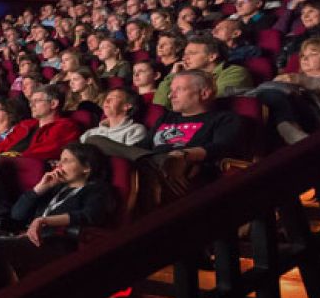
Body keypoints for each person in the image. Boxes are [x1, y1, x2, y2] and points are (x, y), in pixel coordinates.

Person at [93, 70, 246, 212]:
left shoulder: (224, 118)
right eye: (171, 91)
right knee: (95, 141)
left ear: (204, 93)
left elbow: (220, 148)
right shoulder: (167, 117)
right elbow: (143, 146)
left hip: (185, 175)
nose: (170, 96)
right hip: (152, 165)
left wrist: (182, 155)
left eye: (178, 90)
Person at [0, 143, 119, 284]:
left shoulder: (98, 189)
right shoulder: (56, 187)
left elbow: (91, 216)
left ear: (86, 167)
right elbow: (17, 215)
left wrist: (44, 220)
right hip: (31, 240)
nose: (59, 165)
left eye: (66, 161)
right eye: (59, 160)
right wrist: (39, 189)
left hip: (60, 245)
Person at [151, 34, 253, 106]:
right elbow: (159, 105)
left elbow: (213, 102)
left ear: (212, 56)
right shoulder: (185, 76)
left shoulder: (235, 72)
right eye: (185, 54)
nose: (184, 58)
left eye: (192, 53)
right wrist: (172, 75)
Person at [0, 86, 81, 160]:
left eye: (37, 101)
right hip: (3, 163)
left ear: (53, 104)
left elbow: (44, 152)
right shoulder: (25, 125)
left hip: (24, 168)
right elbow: (3, 144)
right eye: (31, 101)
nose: (31, 105)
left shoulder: (66, 127)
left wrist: (4, 158)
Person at [80, 88, 148, 147]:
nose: (107, 101)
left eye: (113, 98)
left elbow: (131, 157)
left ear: (126, 106)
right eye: (106, 98)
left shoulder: (135, 130)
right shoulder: (91, 133)